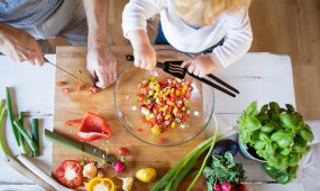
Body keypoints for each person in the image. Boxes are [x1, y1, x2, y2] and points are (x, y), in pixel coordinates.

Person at [0, 0, 117, 89]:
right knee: (40, 81)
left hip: (67, 7)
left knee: (105, 66)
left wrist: (99, 43)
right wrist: (3, 37)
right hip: (9, 27)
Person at [122, 0, 253, 78]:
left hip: (210, 46)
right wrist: (141, 44)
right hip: (168, 40)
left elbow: (242, 37)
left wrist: (213, 60)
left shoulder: (233, 6)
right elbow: (135, 8)